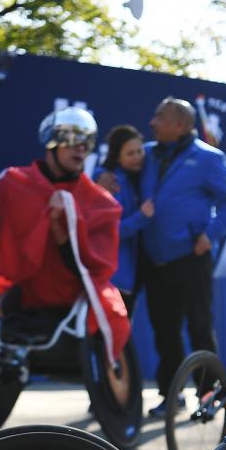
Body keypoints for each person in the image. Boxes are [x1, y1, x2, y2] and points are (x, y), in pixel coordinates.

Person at [0, 106, 129, 361]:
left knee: (112, 316)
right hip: (24, 295)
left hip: (74, 301)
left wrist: (66, 226)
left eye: (87, 141)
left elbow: (98, 268)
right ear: (52, 140)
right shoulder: (12, 184)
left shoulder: (101, 202)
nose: (81, 147)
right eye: (72, 138)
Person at [140, 96, 226, 417]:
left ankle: (209, 394)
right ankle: (170, 397)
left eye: (160, 116)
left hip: (191, 257)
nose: (152, 122)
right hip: (154, 258)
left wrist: (209, 235)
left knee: (200, 326)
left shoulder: (207, 158)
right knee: (164, 331)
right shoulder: (145, 154)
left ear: (182, 125)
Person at [94, 124, 155, 313]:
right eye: (130, 153)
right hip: (113, 278)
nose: (138, 157)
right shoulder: (109, 182)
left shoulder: (135, 178)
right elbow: (112, 232)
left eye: (139, 151)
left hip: (130, 278)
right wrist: (142, 217)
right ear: (116, 155)